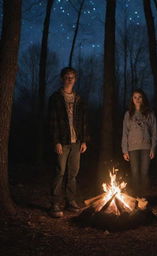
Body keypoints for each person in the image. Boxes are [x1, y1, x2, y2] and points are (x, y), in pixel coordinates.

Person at [48, 67, 87, 218]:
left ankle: (71, 201)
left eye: (72, 77)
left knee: (73, 174)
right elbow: (53, 122)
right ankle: (55, 203)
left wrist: (84, 140)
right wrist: (56, 141)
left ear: (75, 79)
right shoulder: (56, 98)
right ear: (62, 78)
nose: (69, 79)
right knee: (60, 172)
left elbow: (83, 121)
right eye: (67, 77)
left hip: (76, 142)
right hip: (62, 142)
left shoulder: (79, 99)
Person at [122, 89, 157, 196]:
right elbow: (125, 133)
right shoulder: (128, 114)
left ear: (143, 99)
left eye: (139, 97)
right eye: (135, 97)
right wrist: (124, 150)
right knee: (135, 174)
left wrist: (153, 148)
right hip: (132, 148)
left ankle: (145, 197)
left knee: (144, 173)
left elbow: (154, 132)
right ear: (132, 99)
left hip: (146, 147)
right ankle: (137, 197)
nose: (137, 99)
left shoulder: (149, 113)